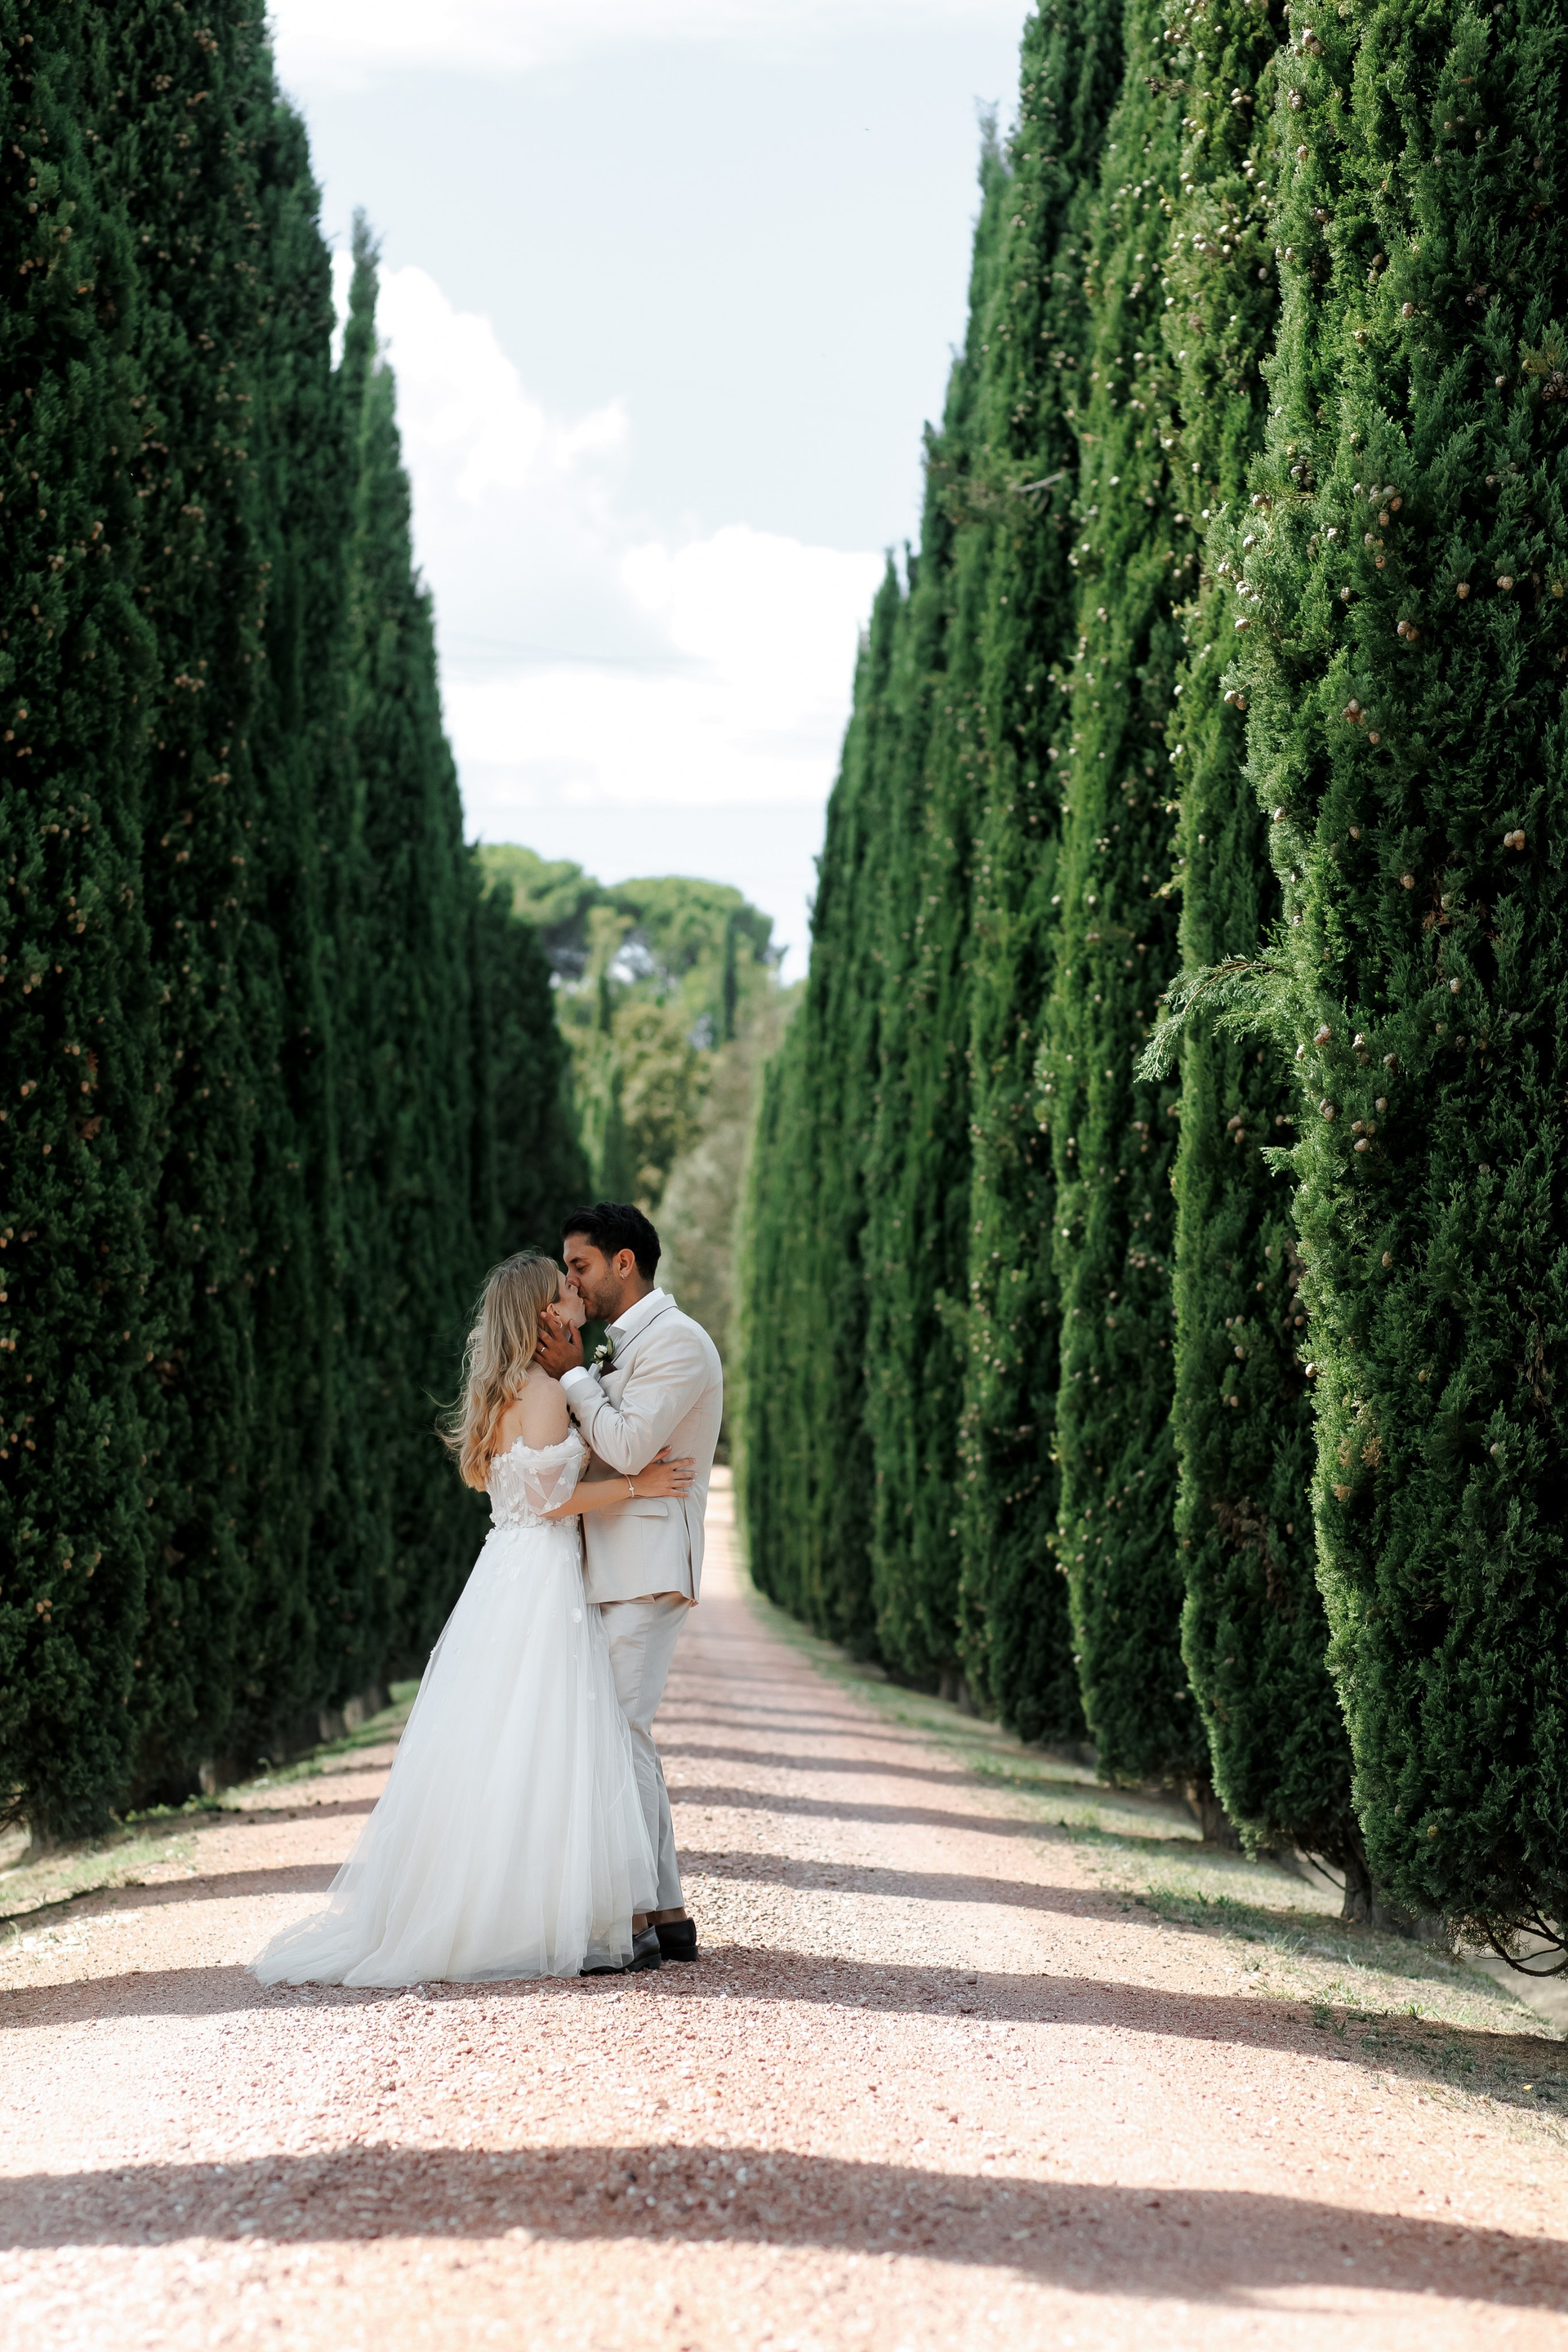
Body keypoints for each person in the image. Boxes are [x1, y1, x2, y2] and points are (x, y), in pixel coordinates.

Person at [250, 1252, 695, 1988]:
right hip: (542, 1570)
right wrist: (636, 1485)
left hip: (506, 1570)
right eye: (565, 1289)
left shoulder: (504, 1389)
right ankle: (554, 1916)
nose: (576, 1294)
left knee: (507, 1737)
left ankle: (511, 1904)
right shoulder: (543, 1391)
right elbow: (550, 1503)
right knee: (548, 1736)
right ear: (544, 1314)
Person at [534, 1201, 724, 1966]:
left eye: (579, 1265)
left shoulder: (678, 1342)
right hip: (613, 1563)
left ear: (624, 1262)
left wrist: (574, 1375)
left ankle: (636, 1917)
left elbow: (627, 1445)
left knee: (618, 1734)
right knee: (625, 1736)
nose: (572, 1280)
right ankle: (665, 1912)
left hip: (646, 1566)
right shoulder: (626, 1345)